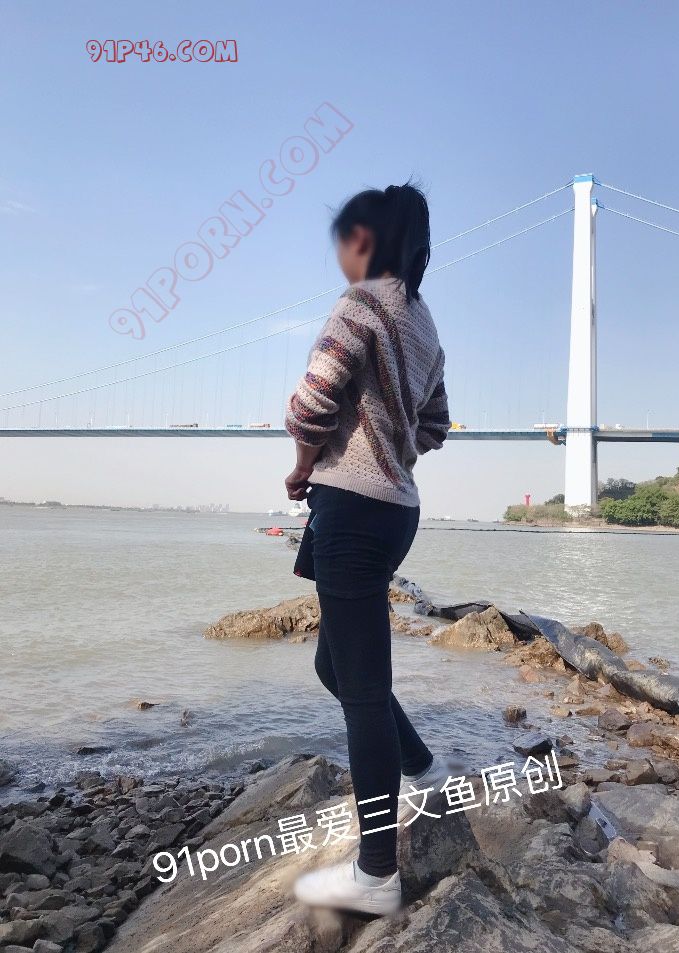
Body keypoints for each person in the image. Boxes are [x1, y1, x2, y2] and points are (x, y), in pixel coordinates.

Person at [283, 182, 454, 916]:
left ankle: (377, 871)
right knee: (337, 664)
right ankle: (422, 765)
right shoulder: (424, 323)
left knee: (360, 691)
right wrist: (394, 443)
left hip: (351, 510)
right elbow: (437, 425)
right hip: (394, 511)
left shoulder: (359, 306)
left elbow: (310, 403)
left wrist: (304, 463)